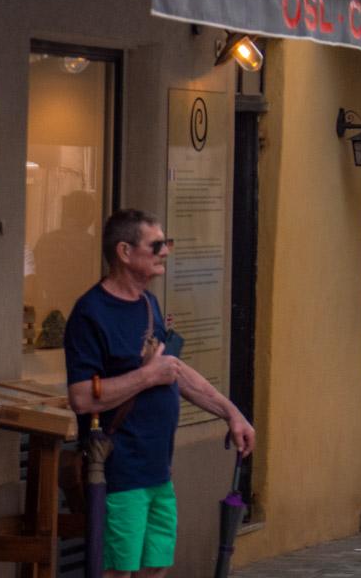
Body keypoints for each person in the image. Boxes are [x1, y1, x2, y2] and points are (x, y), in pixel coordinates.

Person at [65, 210, 253, 578]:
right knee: (118, 571)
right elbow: (82, 397)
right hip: (119, 472)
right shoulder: (91, 313)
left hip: (158, 470)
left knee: (155, 566)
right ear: (124, 251)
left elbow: (173, 371)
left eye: (166, 243)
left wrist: (231, 413)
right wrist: (147, 376)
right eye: (156, 245)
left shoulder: (148, 304)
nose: (165, 251)